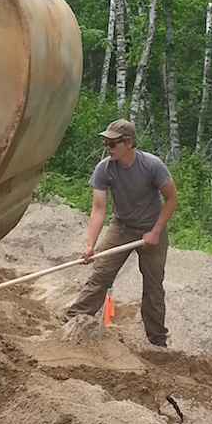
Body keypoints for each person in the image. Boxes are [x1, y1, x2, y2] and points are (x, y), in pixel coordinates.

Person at [65, 118, 178, 346]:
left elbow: (172, 199)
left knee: (154, 286)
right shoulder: (104, 169)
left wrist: (155, 231)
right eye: (106, 143)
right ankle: (73, 321)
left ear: (128, 143)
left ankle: (157, 341)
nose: (108, 148)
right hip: (122, 226)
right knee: (101, 274)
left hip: (151, 228)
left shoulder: (152, 166)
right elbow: (98, 210)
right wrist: (90, 245)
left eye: (112, 143)